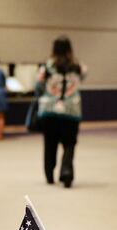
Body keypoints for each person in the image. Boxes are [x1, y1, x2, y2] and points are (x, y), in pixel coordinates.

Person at [36, 37, 87, 188]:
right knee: (69, 143)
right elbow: (82, 77)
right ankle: (66, 172)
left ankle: (49, 174)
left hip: (50, 112)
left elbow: (38, 84)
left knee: (50, 144)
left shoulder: (46, 66)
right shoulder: (78, 66)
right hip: (72, 111)